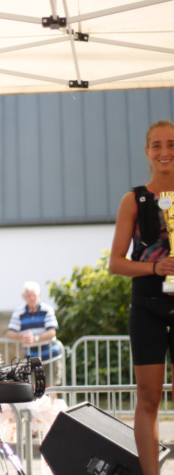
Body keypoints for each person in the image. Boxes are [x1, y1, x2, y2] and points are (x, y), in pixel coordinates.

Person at [110, 119, 174, 475]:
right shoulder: (133, 200)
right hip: (147, 305)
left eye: (171, 144)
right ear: (147, 152)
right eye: (158, 145)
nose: (165, 152)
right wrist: (154, 267)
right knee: (149, 398)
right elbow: (116, 263)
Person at [6, 281, 62, 386]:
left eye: (34, 295)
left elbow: (52, 332)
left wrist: (35, 338)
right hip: (31, 358)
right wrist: (23, 337)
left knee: (50, 390)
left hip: (50, 356)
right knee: (33, 389)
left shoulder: (47, 309)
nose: (32, 298)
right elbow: (10, 333)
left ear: (39, 295)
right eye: (29, 296)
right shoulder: (19, 312)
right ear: (24, 296)